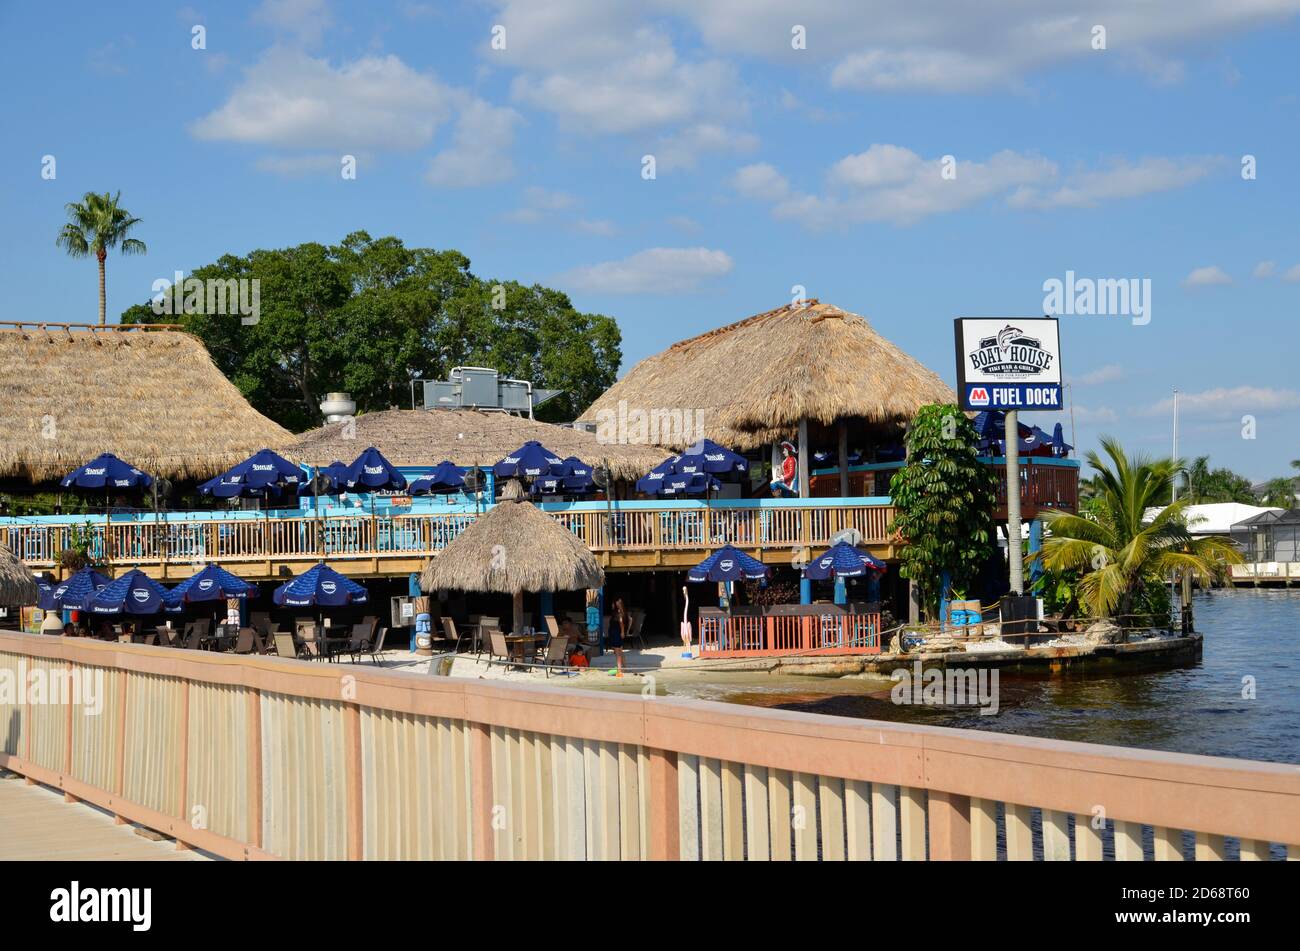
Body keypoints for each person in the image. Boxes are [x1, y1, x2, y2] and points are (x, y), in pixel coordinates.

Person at [608, 596, 628, 677]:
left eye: (614, 603)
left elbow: (621, 623)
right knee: (620, 650)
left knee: (617, 652)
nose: (612, 605)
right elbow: (628, 620)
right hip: (615, 632)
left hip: (616, 633)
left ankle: (619, 670)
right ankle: (625, 667)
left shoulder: (618, 612)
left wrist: (623, 632)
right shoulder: (617, 611)